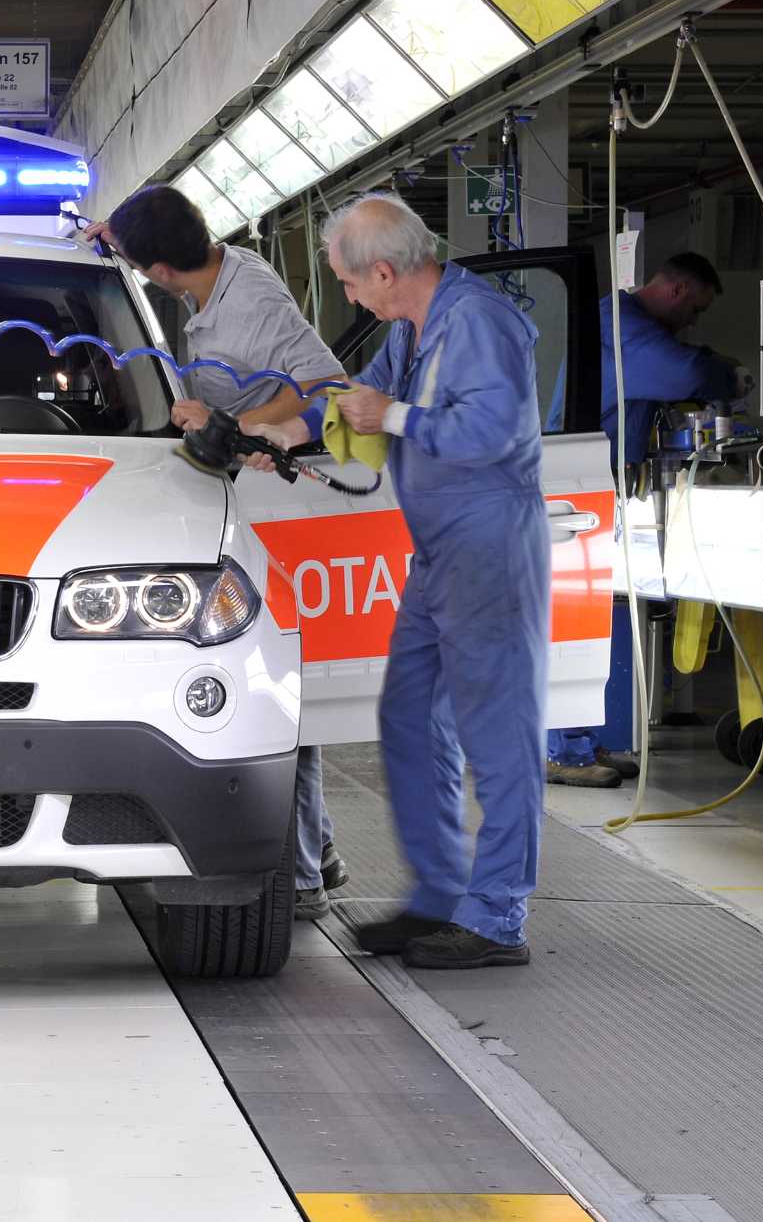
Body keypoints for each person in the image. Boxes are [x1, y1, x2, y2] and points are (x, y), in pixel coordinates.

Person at [251, 194, 548, 970]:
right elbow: (359, 402)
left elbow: (490, 433)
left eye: (349, 286)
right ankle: (437, 901)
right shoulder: (414, 328)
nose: (348, 298)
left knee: (495, 733)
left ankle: (495, 919)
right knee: (411, 718)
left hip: (488, 540)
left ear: (382, 271)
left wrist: (396, 419)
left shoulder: (478, 323)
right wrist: (286, 432)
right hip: (438, 550)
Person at [92, 186, 352, 921]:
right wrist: (108, 235)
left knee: (276, 695)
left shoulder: (254, 303)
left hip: (266, 505)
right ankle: (317, 852)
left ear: (161, 272)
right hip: (221, 497)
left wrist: (232, 424)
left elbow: (329, 386)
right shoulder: (201, 276)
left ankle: (299, 876)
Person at [548, 252, 742, 788]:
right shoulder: (623, 325)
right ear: (677, 291)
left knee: (585, 617)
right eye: (695, 309)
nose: (691, 323)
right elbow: (684, 372)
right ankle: (564, 752)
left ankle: (578, 743)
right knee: (572, 619)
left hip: (590, 482)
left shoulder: (623, 325)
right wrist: (728, 374)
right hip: (572, 486)